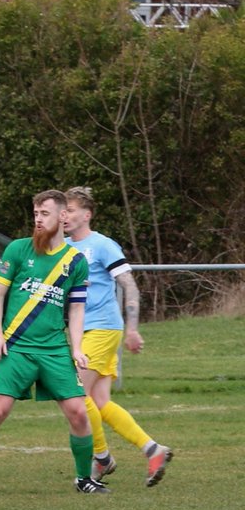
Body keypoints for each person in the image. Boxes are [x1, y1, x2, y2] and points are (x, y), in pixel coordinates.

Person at [0, 189, 103, 496]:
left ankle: (84, 479)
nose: (38, 219)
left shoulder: (75, 261)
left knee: (78, 411)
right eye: (35, 214)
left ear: (62, 216)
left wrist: (77, 348)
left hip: (54, 349)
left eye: (44, 213)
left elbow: (76, 309)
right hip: (16, 347)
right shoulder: (18, 250)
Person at [64, 186, 172, 487]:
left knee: (76, 393)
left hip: (102, 327)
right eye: (63, 211)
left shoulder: (102, 245)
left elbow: (129, 285)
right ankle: (153, 450)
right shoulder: (64, 247)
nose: (64, 216)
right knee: (99, 402)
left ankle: (101, 457)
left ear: (87, 214)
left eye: (70, 210)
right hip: (83, 331)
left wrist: (133, 327)